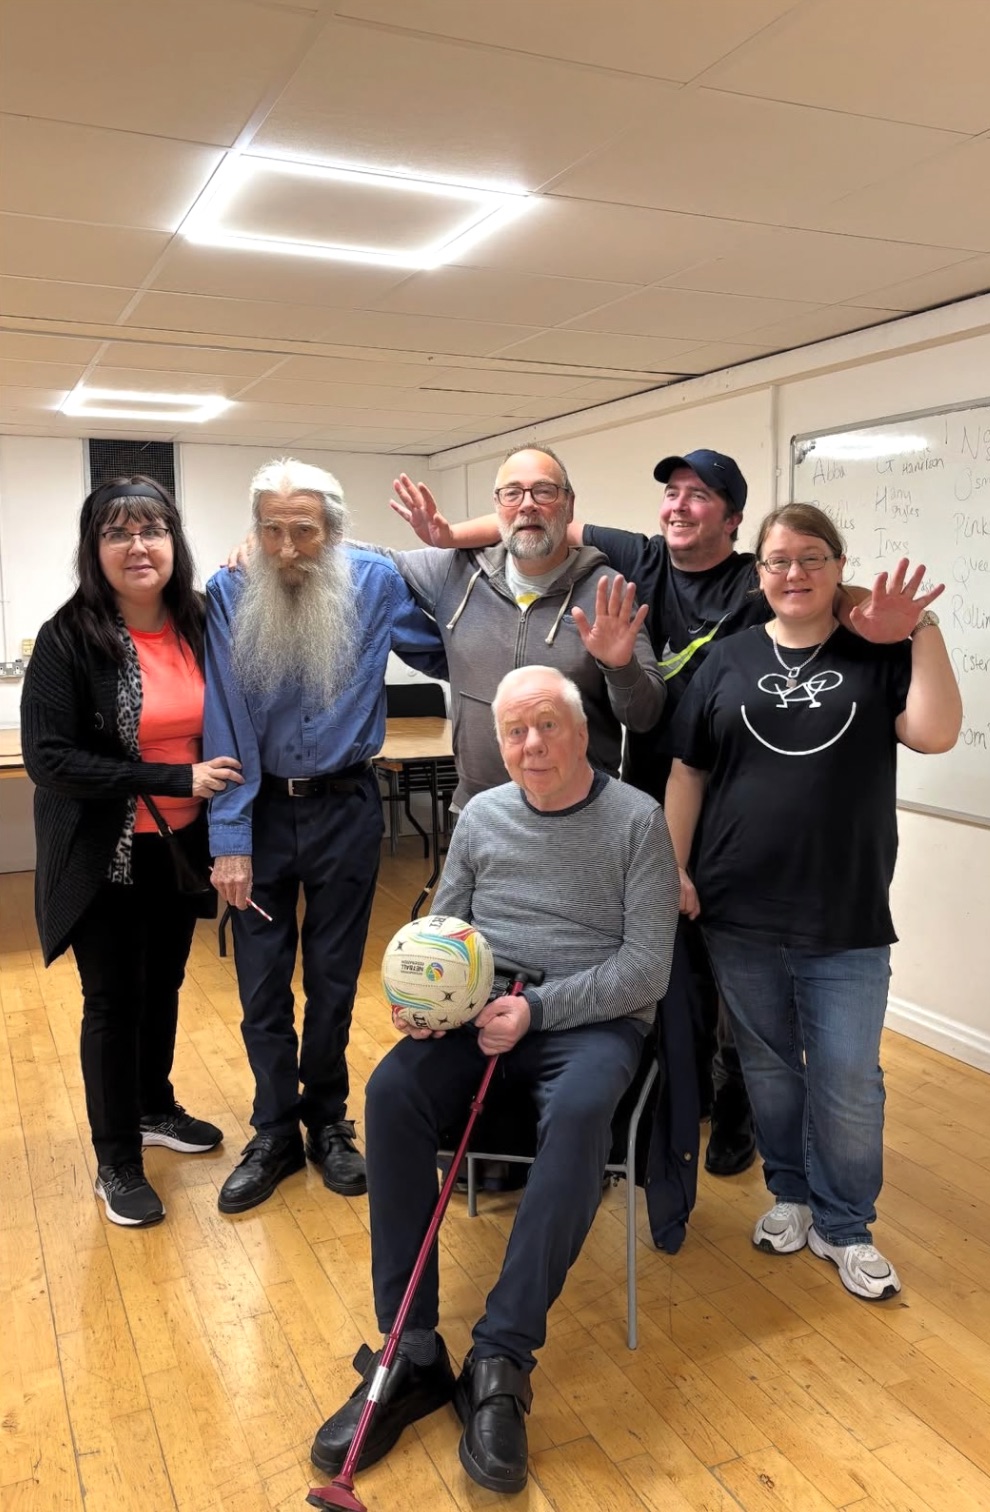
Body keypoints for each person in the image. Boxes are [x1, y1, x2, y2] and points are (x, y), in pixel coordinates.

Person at [311, 666, 679, 1494]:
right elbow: (447, 926)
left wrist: (539, 1012)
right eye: (515, 731)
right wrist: (425, 1000)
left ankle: (501, 1356)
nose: (531, 745)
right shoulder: (481, 814)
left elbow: (647, 969)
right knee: (390, 1091)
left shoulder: (637, 821)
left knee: (584, 1109)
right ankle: (408, 1347)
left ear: (583, 733)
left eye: (548, 725)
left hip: (587, 1019)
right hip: (482, 1008)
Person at [664, 504, 960, 1301]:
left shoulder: (877, 654)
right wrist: (675, 867)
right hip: (736, 904)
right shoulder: (724, 661)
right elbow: (688, 771)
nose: (792, 574)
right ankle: (791, 1196)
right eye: (776, 561)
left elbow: (935, 734)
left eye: (811, 559)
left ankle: (846, 1224)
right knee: (765, 1062)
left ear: (839, 566)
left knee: (849, 1078)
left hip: (846, 908)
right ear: (757, 573)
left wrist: (919, 630)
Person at [204, 459, 449, 1215]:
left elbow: (448, 642)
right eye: (271, 530)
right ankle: (273, 1129)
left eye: (303, 531)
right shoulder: (229, 590)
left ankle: (328, 1122)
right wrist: (230, 837)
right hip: (264, 811)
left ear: (333, 531)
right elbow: (227, 718)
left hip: (347, 804)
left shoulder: (373, 581)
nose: (285, 549)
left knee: (336, 980)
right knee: (261, 986)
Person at [20, 476, 244, 1228]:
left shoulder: (201, 622)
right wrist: (170, 775)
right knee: (114, 1003)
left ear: (174, 544)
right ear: (95, 549)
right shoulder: (68, 637)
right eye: (117, 533)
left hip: (181, 849)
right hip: (104, 857)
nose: (137, 546)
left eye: (152, 529)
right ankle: (116, 1158)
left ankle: (154, 1106)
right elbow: (50, 759)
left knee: (166, 985)